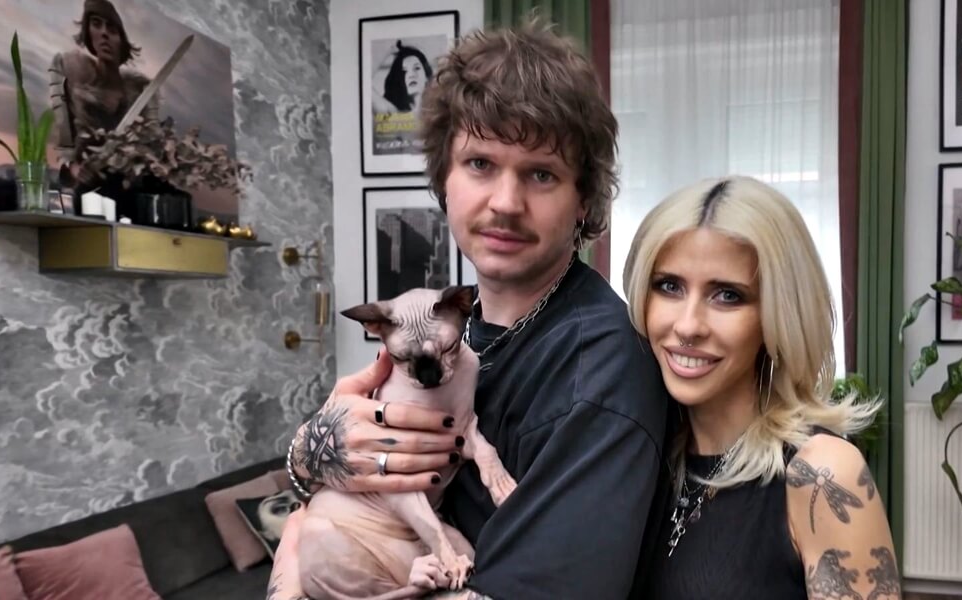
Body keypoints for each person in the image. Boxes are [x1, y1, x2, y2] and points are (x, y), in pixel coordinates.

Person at [268, 20, 674, 600]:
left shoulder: (601, 369)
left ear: (583, 200)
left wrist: (291, 562)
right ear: (444, 179)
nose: (505, 203)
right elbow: (326, 487)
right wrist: (311, 451)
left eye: (541, 173)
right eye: (480, 163)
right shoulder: (453, 320)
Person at [622, 176, 901, 599]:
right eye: (669, 286)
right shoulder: (641, 454)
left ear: (779, 313)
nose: (688, 325)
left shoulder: (821, 474)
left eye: (727, 296)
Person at [49, 0, 158, 187]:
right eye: (96, 24)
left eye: (112, 29)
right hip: (86, 188)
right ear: (88, 32)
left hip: (127, 188)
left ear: (122, 41)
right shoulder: (71, 76)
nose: (104, 33)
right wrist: (75, 168)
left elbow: (151, 149)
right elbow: (63, 137)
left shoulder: (142, 92)